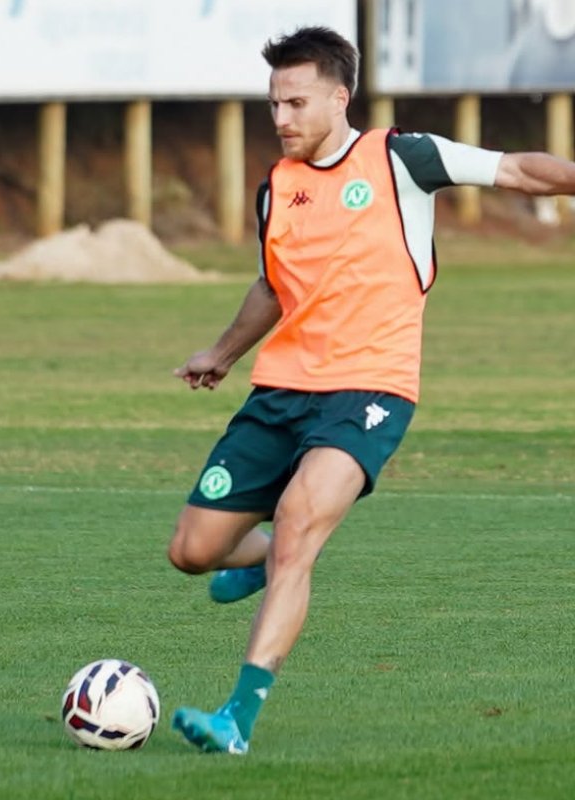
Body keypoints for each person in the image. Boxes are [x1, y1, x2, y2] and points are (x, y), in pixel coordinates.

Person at [165, 25, 575, 756]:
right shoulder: (276, 188)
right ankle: (255, 563)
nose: (281, 118)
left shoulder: (402, 157)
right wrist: (223, 353)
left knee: (297, 526)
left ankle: (236, 720)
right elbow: (271, 284)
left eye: (295, 102)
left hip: (371, 388)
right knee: (193, 550)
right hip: (280, 391)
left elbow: (518, 171)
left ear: (338, 97)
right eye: (273, 104)